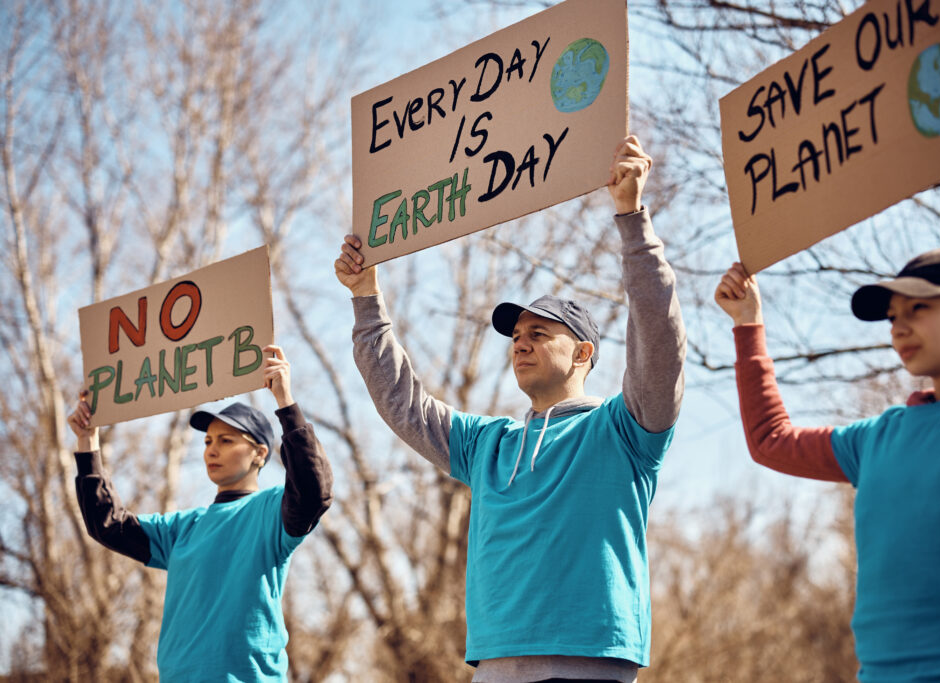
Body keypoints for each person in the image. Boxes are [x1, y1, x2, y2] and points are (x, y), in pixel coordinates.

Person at [334, 136, 685, 682]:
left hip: (591, 665)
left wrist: (631, 219)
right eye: (516, 334)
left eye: (538, 333)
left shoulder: (624, 429)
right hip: (494, 666)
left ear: (583, 353)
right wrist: (364, 297)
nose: (519, 342)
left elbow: (659, 342)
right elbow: (402, 403)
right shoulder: (485, 444)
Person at [714, 123, 940, 682]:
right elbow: (770, 443)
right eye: (893, 316)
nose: (899, 327)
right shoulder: (878, 437)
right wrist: (747, 326)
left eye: (920, 309)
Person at [68, 345, 333, 682]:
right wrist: (87, 441)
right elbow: (108, 524)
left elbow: (314, 490)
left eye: (225, 440)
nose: (212, 450)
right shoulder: (182, 528)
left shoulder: (271, 511)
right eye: (208, 442)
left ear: (259, 453)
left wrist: (284, 399)